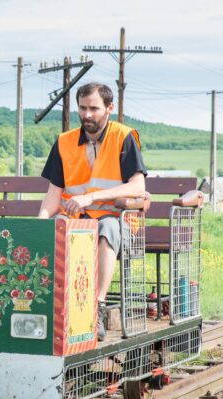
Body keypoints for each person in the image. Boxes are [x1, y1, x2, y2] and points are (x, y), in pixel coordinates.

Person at [38, 82, 147, 341]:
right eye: (83, 108)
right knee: (56, 226)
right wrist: (41, 223)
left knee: (106, 228)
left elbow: (138, 186)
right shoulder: (64, 142)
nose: (87, 115)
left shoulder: (124, 136)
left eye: (94, 109)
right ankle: (56, 308)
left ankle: (95, 306)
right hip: (76, 219)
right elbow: (54, 196)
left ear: (109, 108)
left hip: (116, 220)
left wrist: (91, 197)